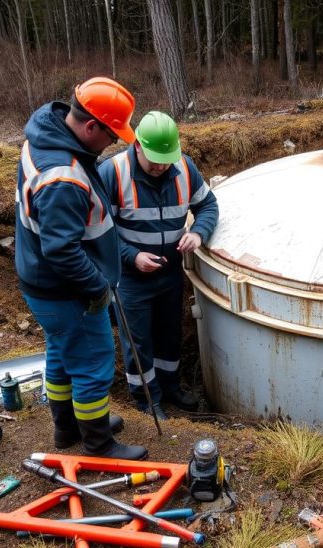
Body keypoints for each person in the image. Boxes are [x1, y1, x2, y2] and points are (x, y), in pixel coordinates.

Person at [14, 77, 147, 460]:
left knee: (60, 354)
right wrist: (97, 288)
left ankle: (67, 428)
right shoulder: (63, 177)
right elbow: (61, 250)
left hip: (42, 284)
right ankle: (99, 444)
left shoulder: (47, 134)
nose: (114, 143)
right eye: (112, 135)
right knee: (92, 364)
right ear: (91, 126)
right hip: (67, 290)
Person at [98, 111, 219, 420]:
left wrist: (198, 233)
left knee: (170, 334)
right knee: (138, 341)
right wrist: (131, 256)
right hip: (131, 278)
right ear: (137, 145)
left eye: (166, 160)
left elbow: (207, 205)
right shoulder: (113, 172)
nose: (161, 166)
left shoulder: (185, 168)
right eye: (155, 160)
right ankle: (147, 400)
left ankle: (170, 386)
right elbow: (100, 230)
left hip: (169, 274)